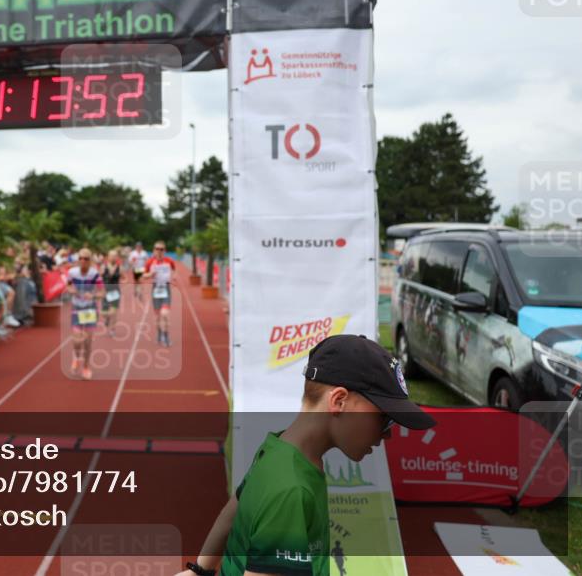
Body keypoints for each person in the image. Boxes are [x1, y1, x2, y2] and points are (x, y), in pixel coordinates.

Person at [177, 335, 435, 576]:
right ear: (339, 401)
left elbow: (233, 510)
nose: (386, 435)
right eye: (384, 419)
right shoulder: (291, 490)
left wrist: (200, 570)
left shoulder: (278, 447)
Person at [66, 248, 103, 380]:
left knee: (87, 340)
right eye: (80, 258)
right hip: (77, 307)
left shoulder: (94, 274)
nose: (82, 261)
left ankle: (86, 366)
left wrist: (92, 295)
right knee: (77, 340)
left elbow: (102, 292)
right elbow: (68, 286)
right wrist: (71, 290)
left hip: (89, 309)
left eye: (86, 259)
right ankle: (76, 357)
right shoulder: (72, 272)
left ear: (90, 261)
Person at [143, 241, 175, 346]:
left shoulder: (169, 261)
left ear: (165, 251)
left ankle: (166, 337)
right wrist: (150, 274)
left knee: (164, 313)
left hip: (166, 289)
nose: (159, 251)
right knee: (157, 317)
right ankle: (159, 334)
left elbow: (174, 270)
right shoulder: (150, 262)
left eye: (161, 249)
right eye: (157, 249)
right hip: (156, 290)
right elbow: (144, 275)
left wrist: (173, 277)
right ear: (154, 250)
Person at [101, 249, 122, 334]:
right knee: (104, 313)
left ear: (117, 257)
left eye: (115, 256)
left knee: (114, 312)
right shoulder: (103, 267)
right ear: (108, 257)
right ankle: (107, 318)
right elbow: (99, 279)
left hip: (115, 291)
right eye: (111, 256)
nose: (113, 257)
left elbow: (125, 277)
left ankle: (112, 329)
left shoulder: (119, 267)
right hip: (106, 291)